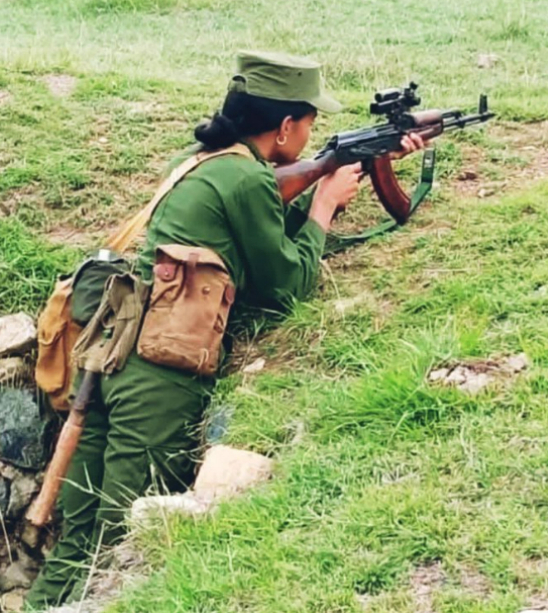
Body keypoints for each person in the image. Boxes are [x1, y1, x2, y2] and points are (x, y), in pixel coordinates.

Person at [24, 51, 426, 608]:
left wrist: (321, 186)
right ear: (285, 126)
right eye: (309, 121)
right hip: (159, 373)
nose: (312, 133)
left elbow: (247, 231)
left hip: (109, 359)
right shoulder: (246, 178)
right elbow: (284, 284)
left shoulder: (202, 161)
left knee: (80, 534)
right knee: (119, 536)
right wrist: (323, 208)